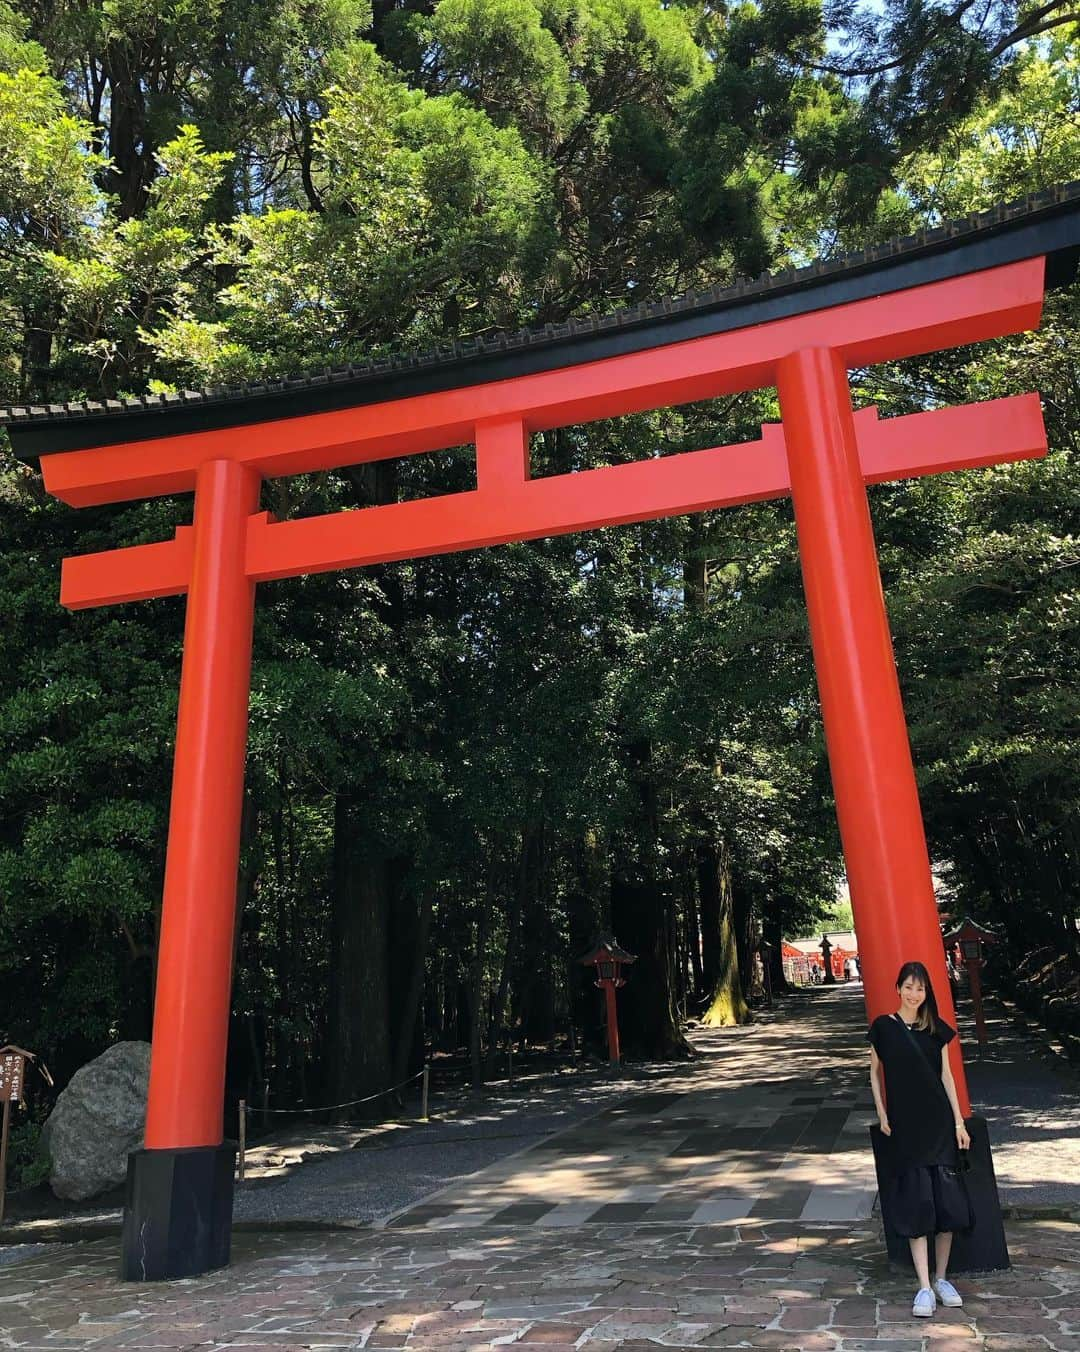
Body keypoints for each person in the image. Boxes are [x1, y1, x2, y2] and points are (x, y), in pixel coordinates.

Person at [868, 961, 973, 1319]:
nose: (915, 995)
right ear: (898, 988)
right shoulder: (883, 1028)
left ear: (927, 993)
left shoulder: (935, 1029)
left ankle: (942, 1278)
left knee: (947, 1204)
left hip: (940, 1125)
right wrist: (882, 1113)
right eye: (909, 987)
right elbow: (874, 1072)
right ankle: (924, 1285)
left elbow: (947, 1076)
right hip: (906, 1128)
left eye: (921, 989)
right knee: (918, 1204)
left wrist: (959, 1122)